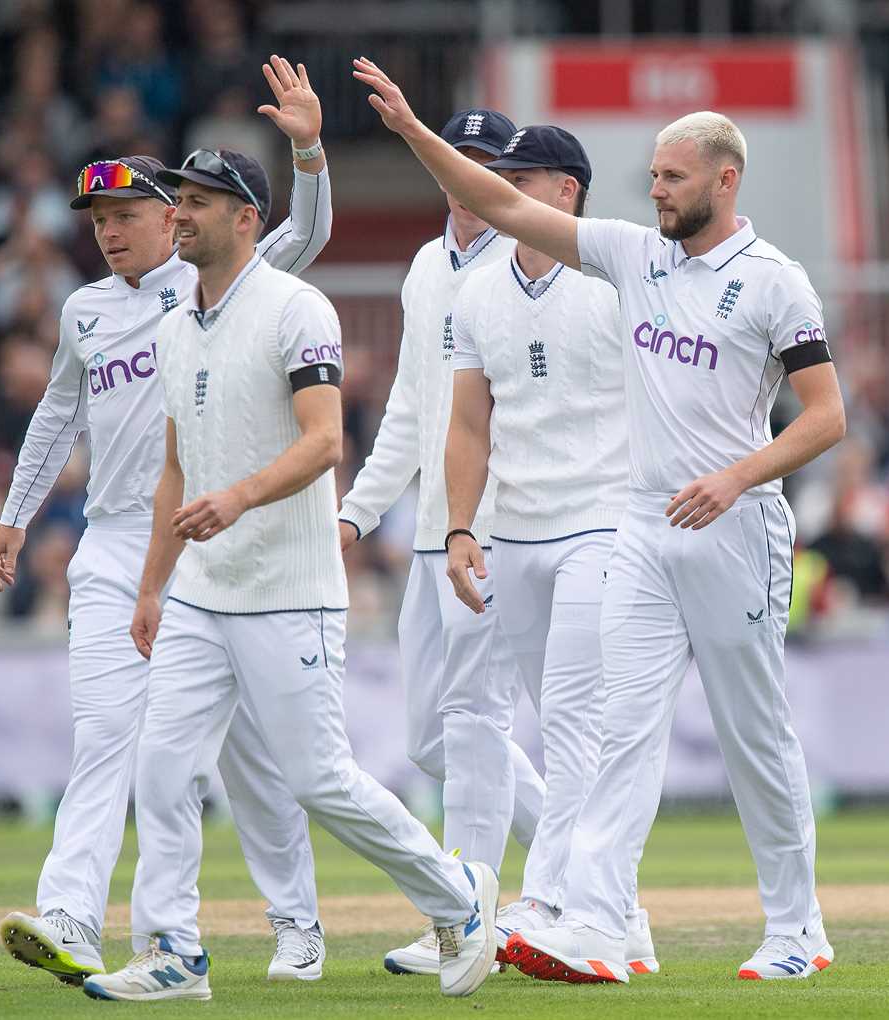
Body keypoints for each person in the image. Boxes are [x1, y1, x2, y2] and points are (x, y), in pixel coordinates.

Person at [355, 57, 846, 983]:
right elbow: (502, 210)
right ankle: (594, 920)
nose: (656, 190)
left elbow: (827, 416)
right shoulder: (632, 253)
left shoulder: (776, 282)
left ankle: (797, 927)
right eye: (652, 176)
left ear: (724, 178)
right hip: (642, 531)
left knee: (754, 735)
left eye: (672, 176)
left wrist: (735, 478)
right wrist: (415, 133)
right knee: (617, 729)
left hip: (736, 531)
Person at [81, 146, 499, 1004]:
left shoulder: (296, 308)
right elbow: (172, 469)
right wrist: (154, 584)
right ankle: (171, 952)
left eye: (201, 201)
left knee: (318, 780)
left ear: (247, 219)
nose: (182, 213)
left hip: (290, 590)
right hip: (201, 590)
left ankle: (458, 898)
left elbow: (324, 443)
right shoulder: (173, 324)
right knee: (161, 769)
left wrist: (236, 500)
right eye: (181, 200)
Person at [0, 56, 334, 985]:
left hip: (217, 550)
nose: (109, 233)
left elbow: (307, 232)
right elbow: (55, 414)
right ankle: (71, 916)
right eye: (97, 221)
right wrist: (15, 517)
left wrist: (307, 149)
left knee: (256, 762)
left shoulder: (213, 281)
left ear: (172, 216)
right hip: (113, 550)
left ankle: (297, 920)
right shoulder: (83, 313)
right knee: (106, 736)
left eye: (127, 215)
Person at [335, 107, 547, 976]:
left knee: (471, 727)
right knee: (434, 740)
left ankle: (469, 921)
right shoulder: (428, 266)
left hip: (491, 531)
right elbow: (415, 413)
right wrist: (355, 511)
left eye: (485, 164)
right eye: (456, 161)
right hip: (430, 533)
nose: (467, 178)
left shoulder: (528, 260)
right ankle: (584, 867)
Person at [444, 124, 657, 977]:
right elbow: (468, 422)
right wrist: (462, 526)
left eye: (519, 178)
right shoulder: (477, 293)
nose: (499, 192)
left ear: (566, 191)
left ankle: (548, 897)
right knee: (555, 717)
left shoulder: (618, 279)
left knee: (573, 719)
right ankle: (626, 917)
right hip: (517, 532)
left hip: (606, 521)